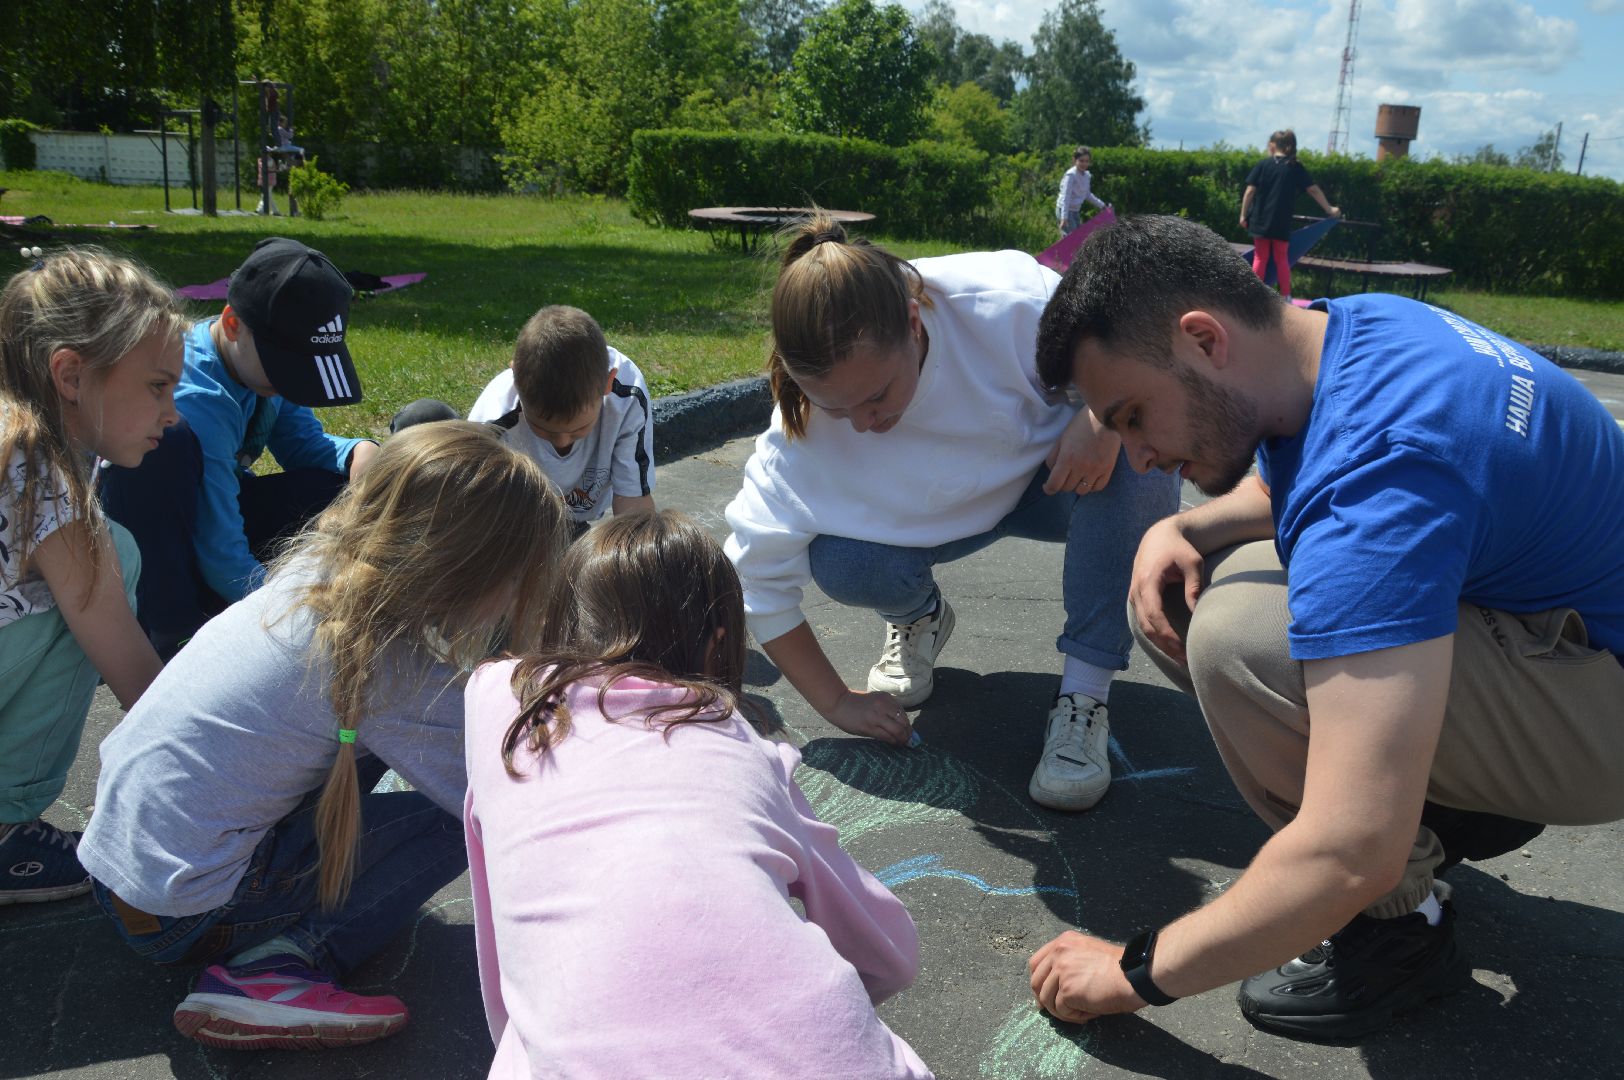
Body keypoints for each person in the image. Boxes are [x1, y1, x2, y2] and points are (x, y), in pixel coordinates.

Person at [1027, 213, 1624, 1040]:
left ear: (1203, 339)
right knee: (1230, 578)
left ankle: (1398, 932)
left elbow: (1350, 848)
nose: (1137, 458)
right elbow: (1293, 480)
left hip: (1603, 721)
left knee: (1240, 637)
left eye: (1131, 415)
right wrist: (1187, 527)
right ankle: (1451, 804)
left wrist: (1131, 973)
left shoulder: (1384, 473)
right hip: (1567, 639)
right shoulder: (1347, 333)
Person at [78, 422, 569, 1051]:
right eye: (515, 581)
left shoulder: (318, 573)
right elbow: (510, 793)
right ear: (468, 575)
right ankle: (281, 964)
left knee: (355, 748)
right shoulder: (389, 670)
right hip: (184, 913)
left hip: (119, 871)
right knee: (467, 813)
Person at [723, 218, 1179, 812]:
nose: (864, 423)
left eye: (877, 396)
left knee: (1142, 455)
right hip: (937, 518)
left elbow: (1147, 347)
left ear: (915, 326)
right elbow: (761, 586)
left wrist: (1101, 418)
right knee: (840, 557)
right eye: (839, 409)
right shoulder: (799, 432)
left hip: (1053, 484)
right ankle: (920, 617)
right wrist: (836, 703)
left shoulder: (1011, 304)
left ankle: (1084, 696)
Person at [464, 510, 932, 1078]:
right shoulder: (743, 747)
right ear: (718, 644)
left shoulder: (497, 698)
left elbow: (502, 934)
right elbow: (893, 956)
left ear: (562, 623)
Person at [0, 247, 185, 904]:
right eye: (157, 386)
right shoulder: (41, 478)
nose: (173, 411)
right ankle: (5, 828)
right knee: (111, 564)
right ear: (71, 374)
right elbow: (133, 673)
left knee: (111, 551)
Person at [101, 236, 378, 658]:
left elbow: (305, 445)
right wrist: (290, 616)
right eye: (288, 368)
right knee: (169, 451)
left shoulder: (258, 368)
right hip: (159, 543)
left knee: (333, 488)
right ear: (233, 325)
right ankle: (173, 632)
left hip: (213, 512)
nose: (291, 384)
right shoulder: (196, 398)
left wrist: (359, 452)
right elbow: (220, 548)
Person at [394, 305, 655, 539]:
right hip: (507, 523)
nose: (562, 442)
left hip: (569, 524)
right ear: (515, 379)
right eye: (543, 429)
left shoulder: (627, 396)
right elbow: (473, 515)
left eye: (578, 431)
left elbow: (632, 503)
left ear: (608, 384)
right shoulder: (492, 419)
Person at [1239, 129, 1340, 300]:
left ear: (1272, 145)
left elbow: (1249, 191)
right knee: (1281, 259)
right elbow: (1313, 190)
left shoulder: (1263, 165)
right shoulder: (1295, 167)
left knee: (1260, 257)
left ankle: (1253, 296)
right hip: (1280, 221)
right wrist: (1329, 209)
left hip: (1260, 220)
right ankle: (1286, 296)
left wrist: (1243, 215)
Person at [1055, 146, 1109, 238]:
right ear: (1074, 160)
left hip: (1075, 210)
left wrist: (1102, 206)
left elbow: (1087, 194)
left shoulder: (1086, 175)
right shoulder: (1071, 175)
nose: (1084, 164)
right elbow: (1066, 196)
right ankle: (1058, 252)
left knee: (1077, 238)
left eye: (1086, 161)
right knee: (1072, 239)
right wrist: (1064, 218)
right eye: (1081, 160)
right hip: (1065, 210)